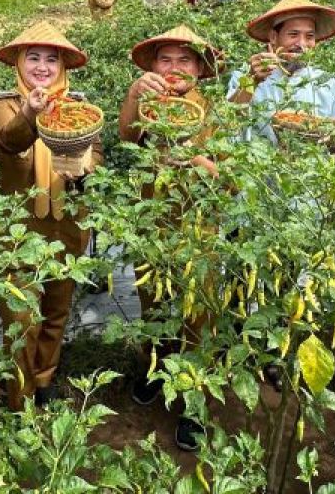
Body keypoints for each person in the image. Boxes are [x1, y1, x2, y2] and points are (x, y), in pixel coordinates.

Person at [0, 22, 102, 410]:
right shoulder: (3, 106)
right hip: (19, 232)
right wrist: (33, 113)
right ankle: (21, 397)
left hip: (66, 227)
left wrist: (85, 169)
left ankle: (46, 379)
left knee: (55, 312)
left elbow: (96, 156)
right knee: (21, 321)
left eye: (52, 59)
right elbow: (8, 143)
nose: (42, 67)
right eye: (32, 57)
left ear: (63, 66)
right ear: (18, 63)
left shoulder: (81, 109)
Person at [117, 25, 223, 452]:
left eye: (185, 60)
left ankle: (194, 401)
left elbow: (229, 176)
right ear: (154, 66)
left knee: (199, 313)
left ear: (199, 68)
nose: (175, 68)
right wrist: (132, 94)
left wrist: (195, 160)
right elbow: (126, 136)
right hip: (153, 222)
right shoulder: (148, 103)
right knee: (152, 302)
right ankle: (152, 369)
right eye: (166, 60)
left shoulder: (216, 111)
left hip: (200, 225)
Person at [227, 0, 335, 142]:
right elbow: (228, 124)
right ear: (274, 37)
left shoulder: (332, 84)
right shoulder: (245, 76)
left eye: (309, 36)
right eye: (293, 34)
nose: (302, 44)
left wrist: (331, 140)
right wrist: (250, 82)